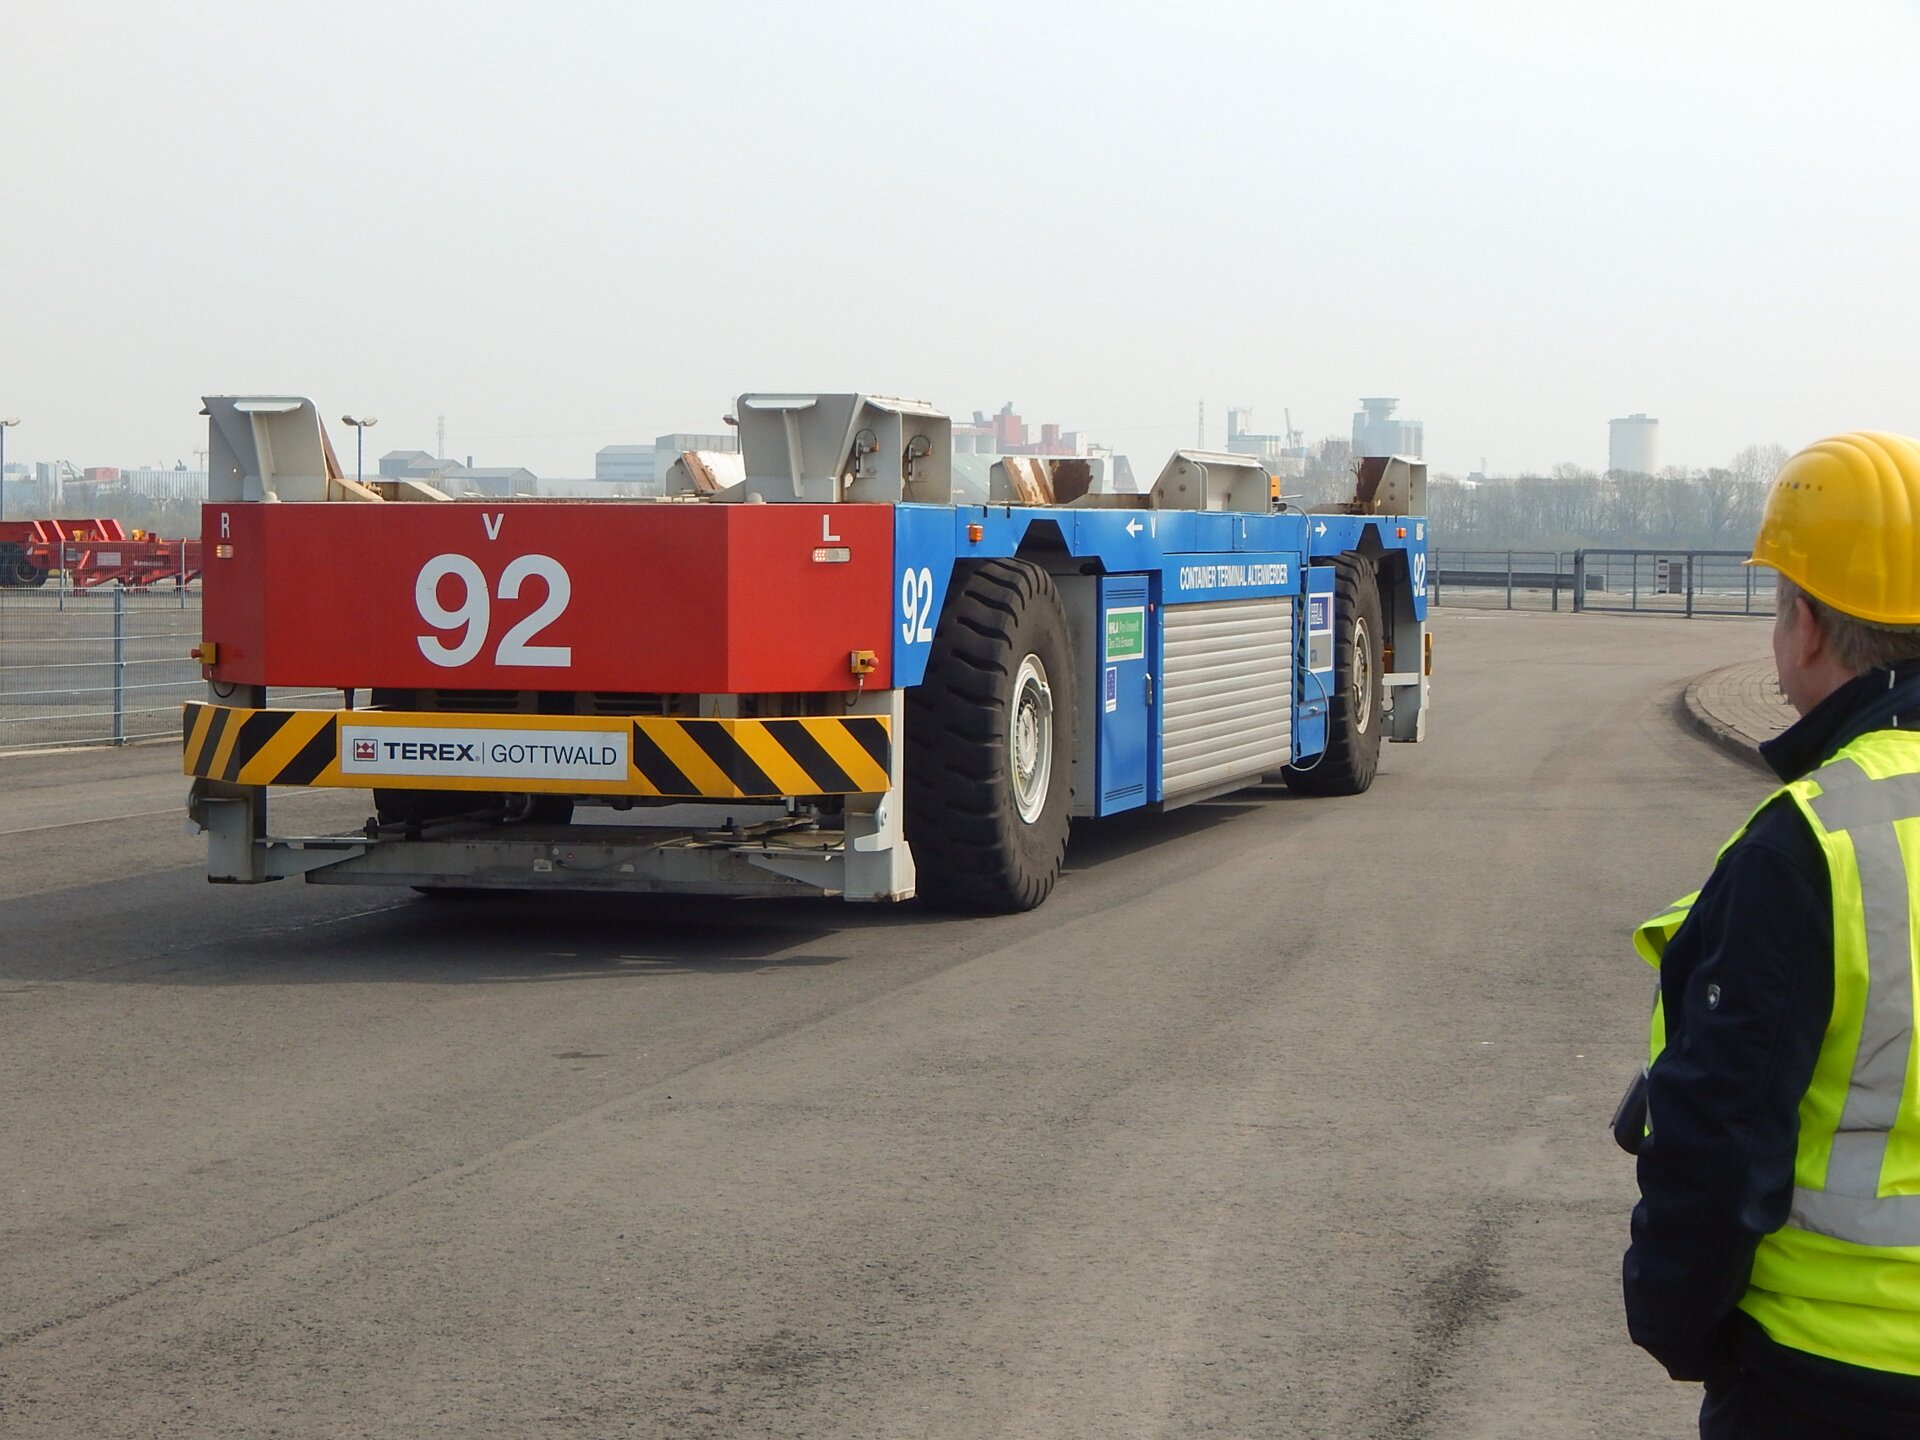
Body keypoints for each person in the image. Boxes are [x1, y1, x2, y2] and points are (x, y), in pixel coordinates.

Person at [1622, 431, 1920, 1439]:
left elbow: (1720, 1132)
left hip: (1830, 1373)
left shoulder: (1813, 840)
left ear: (1805, 627)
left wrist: (1680, 1327)